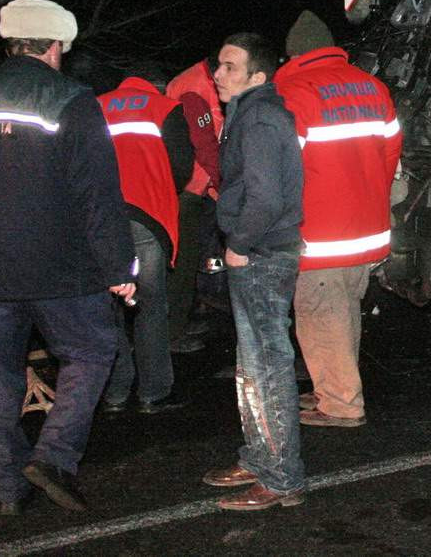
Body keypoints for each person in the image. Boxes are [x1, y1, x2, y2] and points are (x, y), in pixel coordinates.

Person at [0, 0, 136, 517]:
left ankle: (8, 487)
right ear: (57, 46)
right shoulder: (70, 100)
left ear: (11, 41)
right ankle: (54, 457)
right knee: (90, 354)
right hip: (60, 268)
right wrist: (119, 267)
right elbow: (98, 195)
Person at [274, 10, 400, 428]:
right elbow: (390, 156)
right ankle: (330, 387)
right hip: (365, 228)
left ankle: (342, 403)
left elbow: (282, 168)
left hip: (320, 232)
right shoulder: (373, 86)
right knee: (344, 312)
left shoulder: (294, 91)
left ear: (293, 53)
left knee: (318, 314)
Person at [201, 32, 307, 512]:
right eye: (217, 65)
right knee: (252, 367)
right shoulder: (248, 114)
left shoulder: (260, 118)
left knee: (267, 368)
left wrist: (239, 244)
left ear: (257, 77)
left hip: (262, 255)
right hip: (259, 251)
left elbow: (267, 197)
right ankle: (261, 457)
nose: (217, 74)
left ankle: (282, 478)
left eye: (229, 67)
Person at [98, 69, 194, 414]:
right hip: (145, 217)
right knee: (151, 304)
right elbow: (182, 167)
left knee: (107, 306)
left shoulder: (96, 106)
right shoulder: (165, 108)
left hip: (100, 219)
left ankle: (114, 390)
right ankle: (153, 392)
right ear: (155, 85)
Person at [166, 56, 224, 342]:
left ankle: (180, 320)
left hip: (195, 187)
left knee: (187, 260)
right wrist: (223, 185)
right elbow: (204, 145)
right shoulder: (194, 88)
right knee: (184, 263)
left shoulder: (202, 82)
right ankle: (173, 334)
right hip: (188, 191)